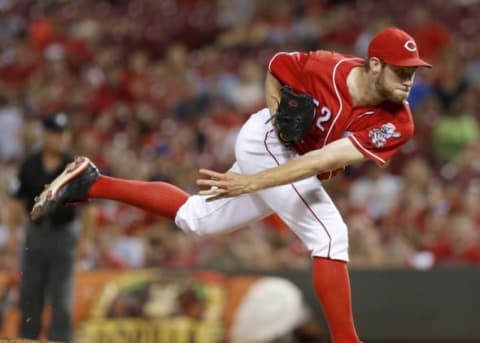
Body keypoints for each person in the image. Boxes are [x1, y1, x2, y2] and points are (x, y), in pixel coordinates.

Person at [31, 27, 431, 343]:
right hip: (266, 141)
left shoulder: (398, 122)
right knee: (329, 235)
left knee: (198, 220)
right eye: (401, 70)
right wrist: (277, 114)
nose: (408, 79)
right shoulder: (326, 66)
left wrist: (253, 183)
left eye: (413, 71)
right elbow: (277, 66)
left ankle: (91, 182)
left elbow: (325, 160)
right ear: (374, 65)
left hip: (291, 161)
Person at [6, 112, 96, 342]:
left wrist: (86, 240)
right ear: (45, 135)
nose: (60, 138)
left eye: (63, 134)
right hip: (36, 232)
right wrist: (13, 232)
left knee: (62, 293)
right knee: (30, 290)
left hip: (65, 233)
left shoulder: (74, 168)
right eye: (55, 133)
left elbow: (88, 208)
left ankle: (60, 339)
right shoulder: (31, 164)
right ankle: (27, 337)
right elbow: (17, 200)